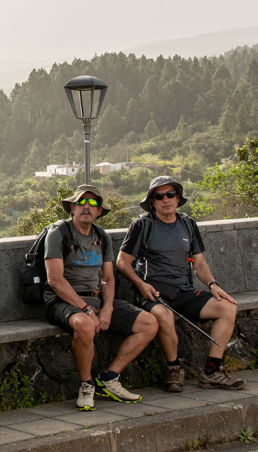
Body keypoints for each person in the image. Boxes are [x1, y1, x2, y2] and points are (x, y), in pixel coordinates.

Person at [116, 175, 246, 392]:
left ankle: (212, 371)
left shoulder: (188, 224)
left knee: (227, 307)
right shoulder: (142, 225)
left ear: (178, 198)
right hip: (153, 293)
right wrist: (141, 285)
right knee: (164, 316)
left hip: (183, 291)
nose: (165, 199)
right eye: (159, 196)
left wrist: (213, 285)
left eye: (170, 194)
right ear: (152, 201)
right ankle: (174, 369)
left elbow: (199, 264)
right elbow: (122, 262)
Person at [43, 184, 158, 411]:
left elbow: (108, 278)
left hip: (96, 299)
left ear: (99, 211)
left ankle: (109, 377)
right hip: (63, 301)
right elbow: (55, 279)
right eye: (81, 202)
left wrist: (108, 308)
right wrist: (85, 309)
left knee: (149, 323)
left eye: (93, 203)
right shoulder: (58, 233)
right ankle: (86, 385)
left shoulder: (102, 237)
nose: (86, 207)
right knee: (86, 326)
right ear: (72, 208)